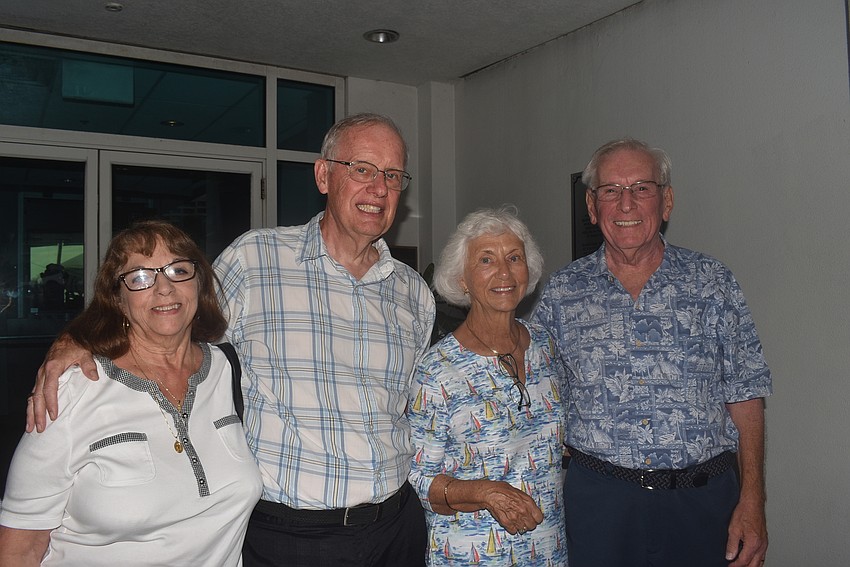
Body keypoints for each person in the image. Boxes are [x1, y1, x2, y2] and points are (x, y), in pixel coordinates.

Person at [28, 113, 436, 567]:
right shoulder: (255, 260)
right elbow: (165, 314)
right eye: (362, 169)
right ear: (324, 175)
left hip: (397, 526)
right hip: (294, 536)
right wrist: (75, 339)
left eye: (393, 175)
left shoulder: (413, 292)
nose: (379, 187)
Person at [533, 138, 772, 567]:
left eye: (642, 188)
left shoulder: (712, 282)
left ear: (667, 201)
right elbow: (538, 393)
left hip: (703, 504)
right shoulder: (562, 293)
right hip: (599, 506)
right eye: (610, 190)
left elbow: (747, 394)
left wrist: (753, 500)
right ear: (592, 206)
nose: (626, 204)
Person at [0, 220, 262, 566]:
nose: (164, 287)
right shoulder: (73, 388)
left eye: (178, 269)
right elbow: (21, 546)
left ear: (200, 284)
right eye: (140, 277)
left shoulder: (228, 369)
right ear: (118, 300)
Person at [408, 206, 568, 566]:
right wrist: (485, 492)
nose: (504, 272)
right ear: (462, 279)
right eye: (486, 260)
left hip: (548, 547)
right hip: (473, 554)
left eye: (514, 257)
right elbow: (416, 477)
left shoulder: (543, 344)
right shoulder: (439, 370)